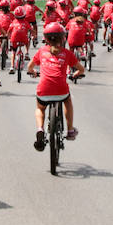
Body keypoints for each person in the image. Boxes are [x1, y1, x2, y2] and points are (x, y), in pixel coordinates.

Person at [27, 22, 84, 151]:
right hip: (61, 90)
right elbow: (81, 69)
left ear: (46, 38)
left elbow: (30, 67)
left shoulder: (41, 51)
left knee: (40, 108)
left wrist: (33, 72)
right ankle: (70, 130)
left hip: (44, 89)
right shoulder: (67, 53)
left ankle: (40, 129)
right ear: (63, 38)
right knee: (67, 101)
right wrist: (76, 74)